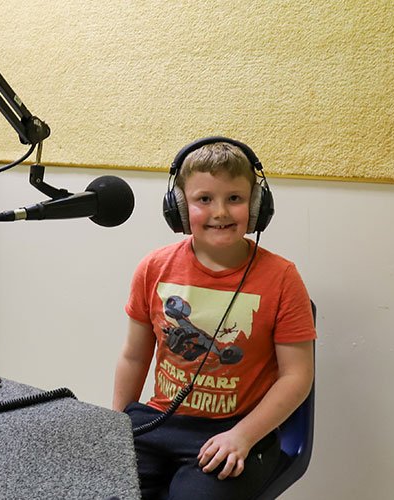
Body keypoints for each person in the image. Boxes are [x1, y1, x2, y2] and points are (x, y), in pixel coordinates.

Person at [113, 137, 316, 500]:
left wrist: (243, 436)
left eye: (235, 198)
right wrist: (113, 426)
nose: (220, 212)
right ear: (178, 206)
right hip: (159, 422)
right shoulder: (154, 268)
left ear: (255, 206)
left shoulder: (282, 278)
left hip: (236, 431)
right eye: (204, 199)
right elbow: (134, 356)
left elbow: (296, 376)